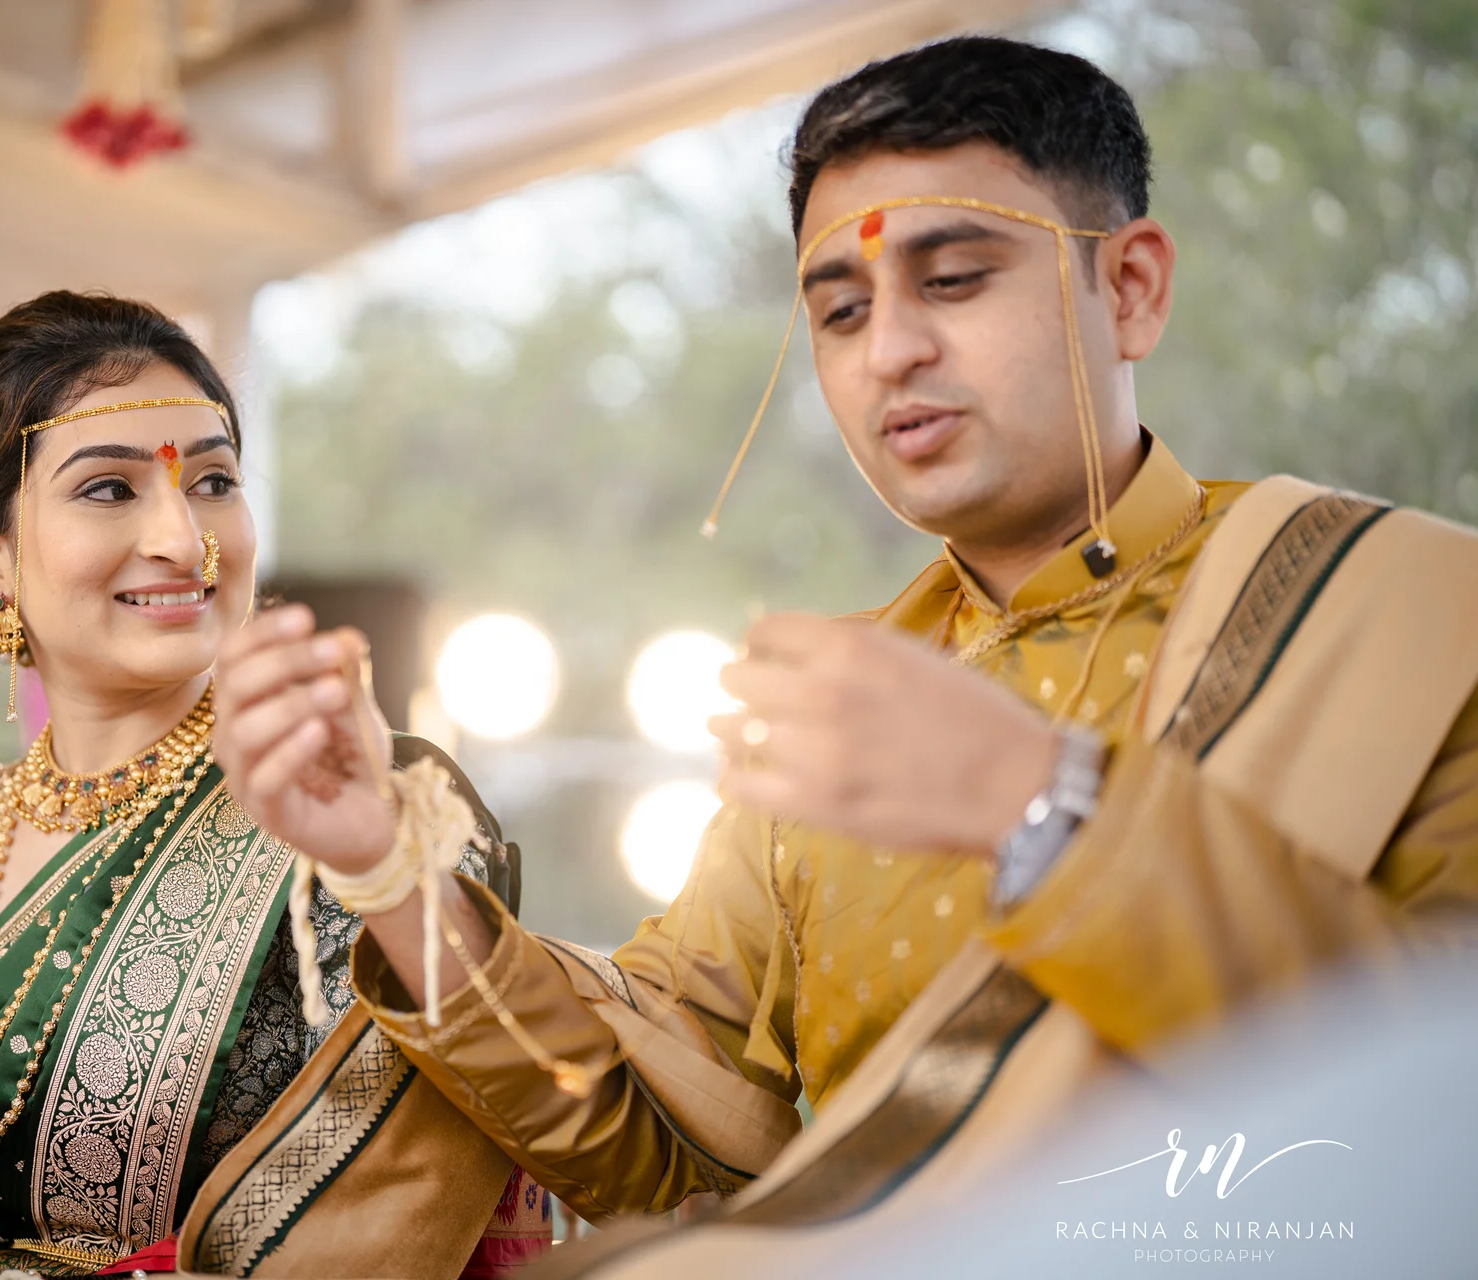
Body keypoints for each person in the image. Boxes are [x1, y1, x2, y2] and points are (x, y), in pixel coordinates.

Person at [208, 33, 1478, 1248]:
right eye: (841, 310)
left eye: (955, 277)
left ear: (1131, 287)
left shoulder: (1399, 609)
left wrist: (1041, 807)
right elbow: (660, 1143)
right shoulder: (839, 699)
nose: (894, 353)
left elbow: (1442, 1110)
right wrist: (393, 871)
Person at [0, 292, 551, 1280]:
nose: (185, 541)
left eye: (216, 480)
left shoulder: (373, 800)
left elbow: (396, 1220)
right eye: (109, 489)